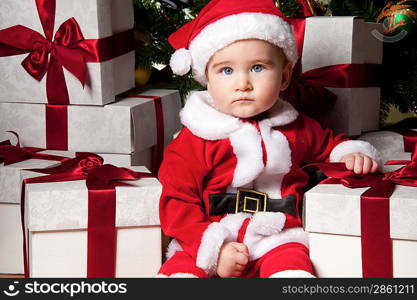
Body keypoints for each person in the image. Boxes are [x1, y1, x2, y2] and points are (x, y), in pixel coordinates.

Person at [156, 0, 381, 278]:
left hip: (276, 238)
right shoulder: (196, 138)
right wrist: (214, 248)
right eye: (226, 70)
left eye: (258, 67)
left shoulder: (297, 128)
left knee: (292, 269)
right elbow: (176, 202)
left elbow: (331, 146)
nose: (243, 83)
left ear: (285, 77)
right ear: (207, 80)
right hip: (209, 238)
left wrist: (351, 154)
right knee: (180, 273)